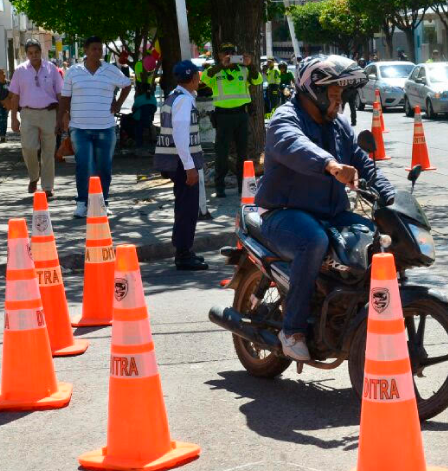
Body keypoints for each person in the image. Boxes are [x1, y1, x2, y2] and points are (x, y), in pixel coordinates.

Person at [255, 54, 395, 361]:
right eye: (332, 95)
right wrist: (330, 164)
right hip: (284, 213)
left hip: (329, 213)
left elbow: (363, 163)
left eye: (340, 95)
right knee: (313, 241)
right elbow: (295, 145)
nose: (339, 102)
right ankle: (292, 331)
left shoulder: (339, 125)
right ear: (313, 92)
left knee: (378, 239)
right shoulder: (285, 118)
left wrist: (390, 195)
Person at [60, 36, 132, 217]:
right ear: (85, 50)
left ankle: (102, 203)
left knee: (104, 168)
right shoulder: (73, 71)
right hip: (79, 128)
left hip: (105, 127)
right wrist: (62, 117)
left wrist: (118, 105)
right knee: (84, 166)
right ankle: (82, 203)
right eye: (94, 49)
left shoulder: (111, 70)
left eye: (100, 49)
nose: (97, 52)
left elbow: (127, 84)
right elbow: (65, 98)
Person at [153, 60, 208, 271]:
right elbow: (180, 135)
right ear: (194, 78)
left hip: (177, 162)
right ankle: (184, 254)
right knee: (187, 209)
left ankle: (184, 250)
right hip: (182, 163)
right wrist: (190, 167)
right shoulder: (183, 101)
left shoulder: (175, 97)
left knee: (184, 207)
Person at [201, 43, 262, 198]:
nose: (229, 55)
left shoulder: (244, 69)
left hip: (241, 115)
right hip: (222, 117)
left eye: (232, 52)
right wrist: (221, 66)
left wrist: (251, 64)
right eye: (225, 52)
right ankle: (219, 187)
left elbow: (257, 81)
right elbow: (205, 78)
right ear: (219, 55)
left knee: (243, 152)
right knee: (221, 152)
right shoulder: (214, 71)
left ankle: (244, 187)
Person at [9, 39, 64, 196]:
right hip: (28, 114)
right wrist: (13, 118)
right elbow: (14, 96)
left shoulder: (51, 68)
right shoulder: (20, 71)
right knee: (29, 147)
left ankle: (47, 187)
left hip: (49, 113)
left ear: (41, 52)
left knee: (48, 151)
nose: (34, 56)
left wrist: (63, 116)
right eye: (30, 53)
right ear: (26, 54)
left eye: (37, 52)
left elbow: (60, 93)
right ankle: (34, 176)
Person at [132, 81, 158, 156]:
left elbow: (133, 109)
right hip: (149, 119)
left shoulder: (139, 98)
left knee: (132, 122)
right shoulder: (153, 98)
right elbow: (155, 109)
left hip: (139, 120)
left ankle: (138, 144)